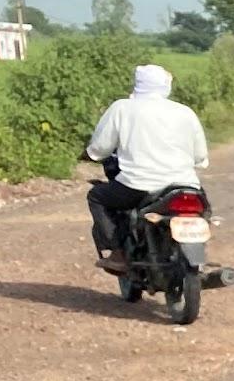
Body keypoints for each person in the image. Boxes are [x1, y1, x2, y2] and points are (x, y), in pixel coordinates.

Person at [82, 65, 209, 269]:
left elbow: (100, 147)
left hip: (138, 186)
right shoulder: (185, 112)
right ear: (166, 86)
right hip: (185, 185)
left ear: (138, 84)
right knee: (202, 210)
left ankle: (117, 253)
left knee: (97, 196)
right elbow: (200, 156)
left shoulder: (122, 108)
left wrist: (90, 155)